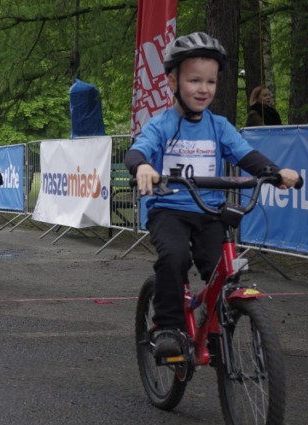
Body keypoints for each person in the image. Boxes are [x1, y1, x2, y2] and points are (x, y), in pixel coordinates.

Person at [124, 32, 300, 358]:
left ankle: (219, 324)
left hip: (209, 210)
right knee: (174, 258)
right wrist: (143, 168)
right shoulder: (162, 125)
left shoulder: (219, 126)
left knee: (224, 269)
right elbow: (138, 152)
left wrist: (275, 172)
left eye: (211, 82)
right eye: (194, 81)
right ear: (173, 81)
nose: (203, 89)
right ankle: (168, 328)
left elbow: (246, 156)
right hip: (169, 210)